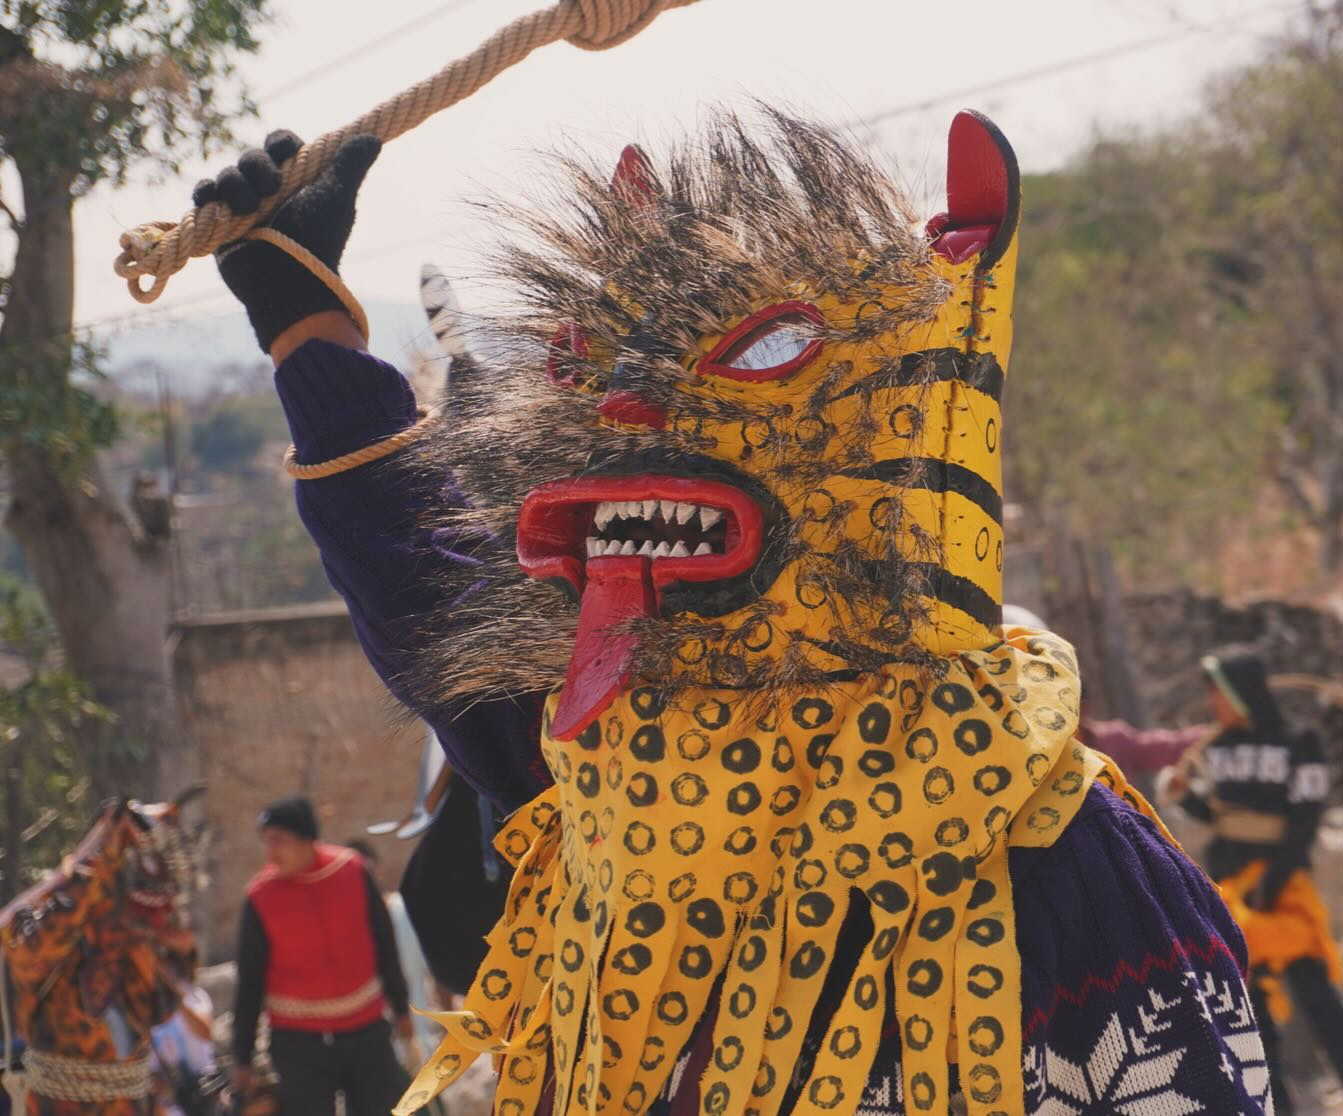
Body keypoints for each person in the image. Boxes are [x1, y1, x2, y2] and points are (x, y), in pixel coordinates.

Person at [196, 110, 1271, 1115]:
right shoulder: (609, 775)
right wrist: (303, 329)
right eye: (588, 377)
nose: (619, 413)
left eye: (758, 355)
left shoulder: (1060, 850)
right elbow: (432, 601)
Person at [1160, 647, 1343, 1115]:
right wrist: (1182, 796)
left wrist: (1274, 881)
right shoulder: (1216, 748)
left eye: (1217, 691)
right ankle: (1277, 1104)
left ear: (1241, 692)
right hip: (1232, 895)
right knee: (1251, 1008)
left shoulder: (1298, 742)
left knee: (1315, 993)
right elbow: (1217, 815)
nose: (1212, 702)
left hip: (1282, 892)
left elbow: (1305, 816)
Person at [231, 797, 411, 1116]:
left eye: (279, 840)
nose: (270, 853)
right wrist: (241, 1057)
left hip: (366, 1032)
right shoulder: (260, 897)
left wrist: (401, 1008)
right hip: (298, 1045)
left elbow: (385, 943)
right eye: (265, 841)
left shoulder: (354, 871)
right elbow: (249, 980)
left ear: (308, 839)